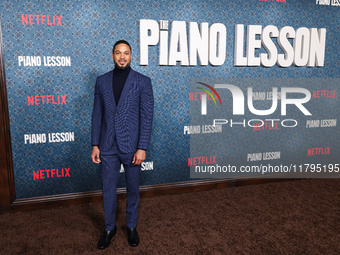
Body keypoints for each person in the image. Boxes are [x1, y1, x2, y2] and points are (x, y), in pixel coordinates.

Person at [91, 40, 154, 249]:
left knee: (133, 189)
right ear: (112, 55)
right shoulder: (101, 81)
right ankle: (109, 228)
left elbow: (147, 116)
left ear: (131, 55)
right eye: (118, 53)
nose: (122, 57)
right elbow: (97, 114)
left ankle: (131, 226)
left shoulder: (143, 81)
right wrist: (95, 144)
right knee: (108, 189)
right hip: (107, 146)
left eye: (126, 53)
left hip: (132, 146)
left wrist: (142, 147)